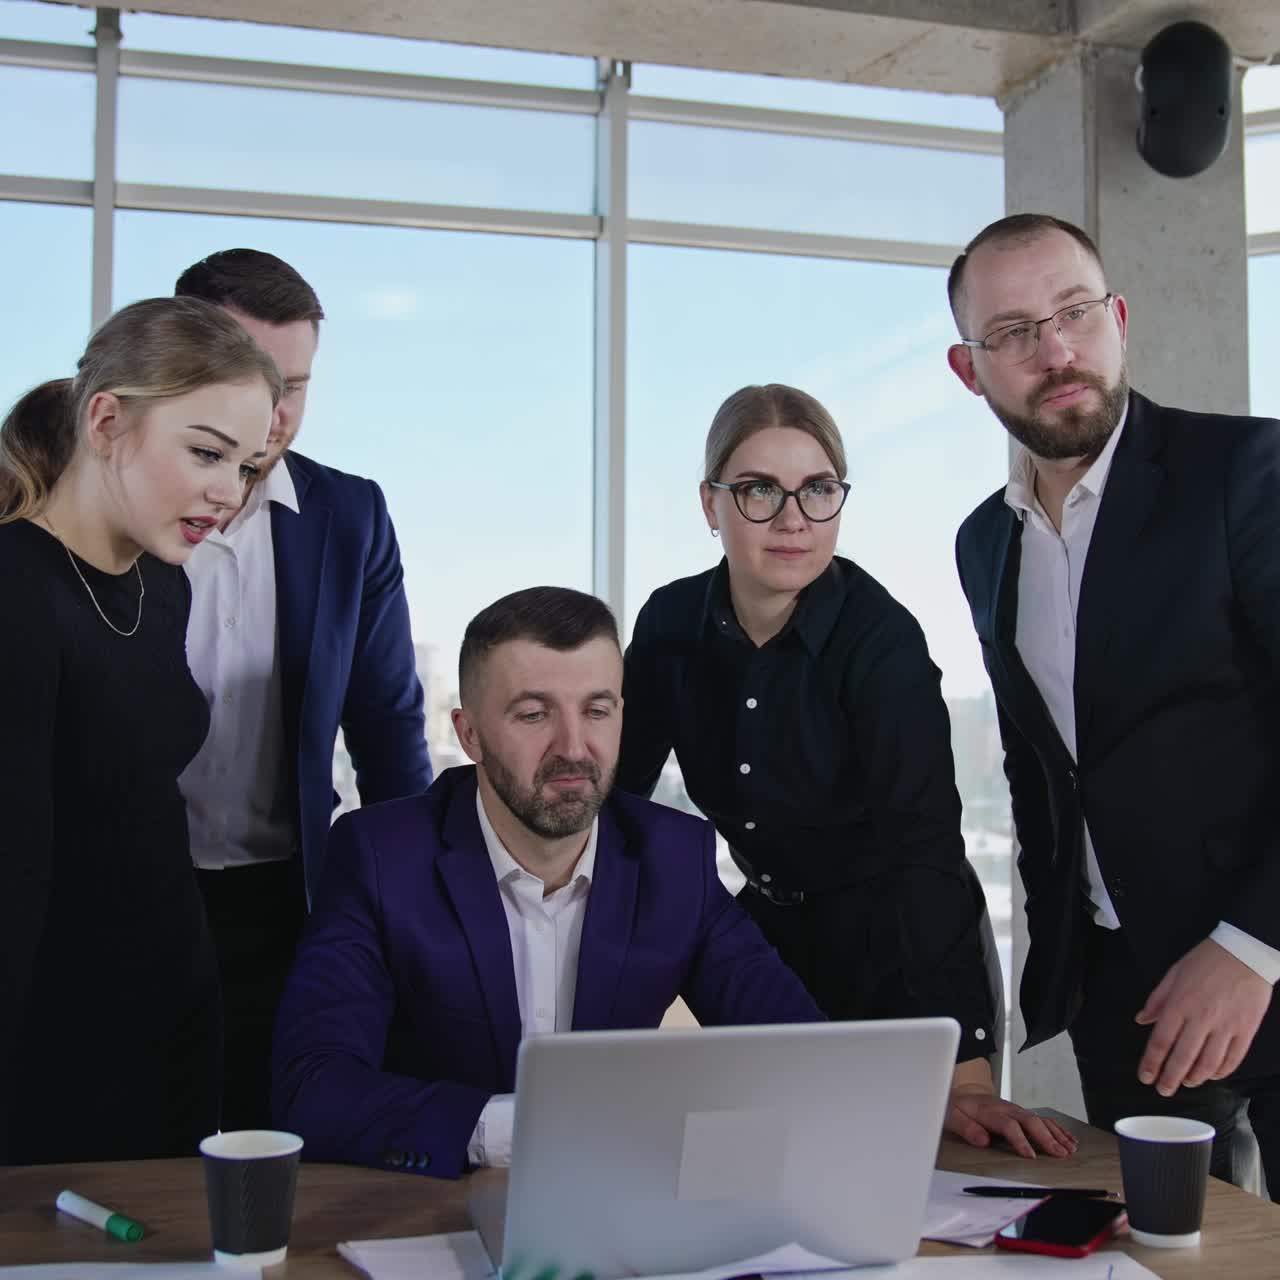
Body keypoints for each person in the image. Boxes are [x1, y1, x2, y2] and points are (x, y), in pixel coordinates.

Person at [616, 384, 1073, 1160]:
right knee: (754, 1174)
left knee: (904, 1185)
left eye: (818, 489)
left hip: (899, 953)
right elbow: (619, 803)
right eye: (760, 490)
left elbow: (924, 850)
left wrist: (961, 1075)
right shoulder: (670, 624)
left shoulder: (881, 641)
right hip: (766, 946)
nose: (793, 518)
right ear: (710, 504)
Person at [948, 212, 1280, 1194]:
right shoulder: (982, 544)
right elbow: (1036, 762)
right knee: (1169, 1252)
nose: (1052, 351)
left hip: (1260, 951)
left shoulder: (1245, 473)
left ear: (1118, 318)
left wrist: (1251, 943)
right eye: (1010, 332)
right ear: (969, 371)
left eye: (1072, 312)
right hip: (1118, 992)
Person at [272, 586, 823, 1177]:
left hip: (614, 1217)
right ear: (470, 733)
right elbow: (312, 1090)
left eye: (597, 710)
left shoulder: (673, 857)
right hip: (429, 1216)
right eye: (534, 714)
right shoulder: (380, 857)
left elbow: (800, 1056)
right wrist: (523, 1130)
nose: (573, 748)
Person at [0, 297, 280, 1163]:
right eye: (205, 453)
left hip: (173, 1019)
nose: (227, 495)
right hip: (52, 1049)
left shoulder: (165, 586)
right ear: (108, 421)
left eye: (246, 466)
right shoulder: (15, 590)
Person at [173, 249, 433, 1131]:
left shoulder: (350, 517)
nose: (277, 414)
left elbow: (389, 727)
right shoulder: (125, 505)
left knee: (273, 1135)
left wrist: (427, 899)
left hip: (289, 900)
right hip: (134, 888)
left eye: (297, 384)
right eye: (256, 380)